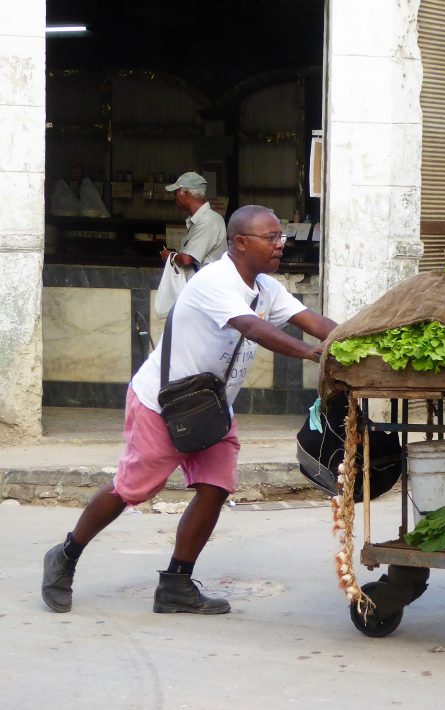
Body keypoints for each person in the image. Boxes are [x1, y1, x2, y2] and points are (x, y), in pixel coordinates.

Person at [42, 205, 339, 615]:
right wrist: (310, 352)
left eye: (280, 236)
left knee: (216, 487)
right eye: (270, 237)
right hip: (164, 403)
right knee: (132, 490)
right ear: (239, 243)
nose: (280, 243)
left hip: (211, 406)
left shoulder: (266, 287)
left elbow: (313, 320)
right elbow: (252, 327)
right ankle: (65, 555)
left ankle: (176, 583)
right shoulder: (215, 281)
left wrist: (355, 341)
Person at [160, 172, 228, 274]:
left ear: (187, 194)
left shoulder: (208, 220)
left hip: (206, 287)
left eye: (177, 192)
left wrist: (170, 256)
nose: (175, 197)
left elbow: (186, 259)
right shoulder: (198, 220)